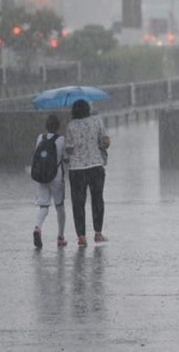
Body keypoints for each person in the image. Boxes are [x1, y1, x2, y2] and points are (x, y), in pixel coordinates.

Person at [65, 99, 111, 247]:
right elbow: (105, 142)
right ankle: (98, 233)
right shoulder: (97, 121)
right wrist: (98, 145)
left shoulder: (70, 126)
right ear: (88, 109)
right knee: (97, 199)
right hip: (96, 166)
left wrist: (78, 149)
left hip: (77, 169)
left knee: (78, 203)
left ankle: (81, 237)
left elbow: (69, 149)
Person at [32, 114, 67, 249]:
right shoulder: (61, 139)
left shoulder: (40, 138)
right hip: (56, 177)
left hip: (42, 176)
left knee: (44, 206)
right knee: (60, 207)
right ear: (58, 127)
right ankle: (60, 237)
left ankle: (37, 228)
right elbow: (65, 158)